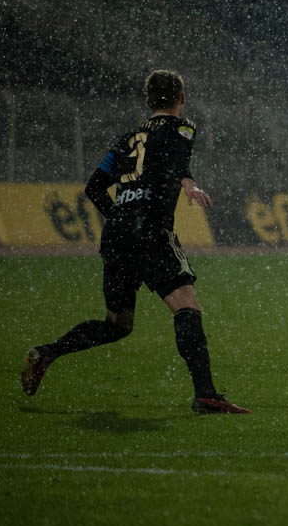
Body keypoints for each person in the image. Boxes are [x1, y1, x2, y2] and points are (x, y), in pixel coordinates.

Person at [21, 70, 250, 414]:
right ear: (181, 98)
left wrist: (120, 217)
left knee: (117, 324)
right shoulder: (183, 128)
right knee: (186, 307)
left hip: (117, 236)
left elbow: (94, 187)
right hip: (151, 230)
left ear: (148, 101)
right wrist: (187, 182)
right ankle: (205, 395)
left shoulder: (127, 139)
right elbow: (176, 159)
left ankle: (48, 352)